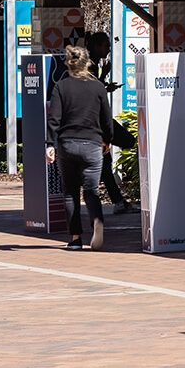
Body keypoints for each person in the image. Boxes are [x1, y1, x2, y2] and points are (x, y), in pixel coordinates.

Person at [47, 45, 113, 251]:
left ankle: (75, 238)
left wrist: (50, 144)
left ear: (69, 63)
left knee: (70, 193)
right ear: (88, 63)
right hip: (93, 143)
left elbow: (54, 118)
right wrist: (107, 140)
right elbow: (106, 119)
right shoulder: (98, 87)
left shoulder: (61, 86)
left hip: (67, 144)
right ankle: (97, 221)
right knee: (91, 190)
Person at [84, 31, 136, 214]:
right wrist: (104, 76)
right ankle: (116, 200)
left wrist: (106, 85)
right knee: (129, 141)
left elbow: (95, 88)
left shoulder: (93, 64)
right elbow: (90, 91)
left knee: (105, 163)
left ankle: (118, 201)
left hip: (96, 118)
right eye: (106, 45)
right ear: (97, 46)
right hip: (97, 119)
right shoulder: (89, 64)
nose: (108, 49)